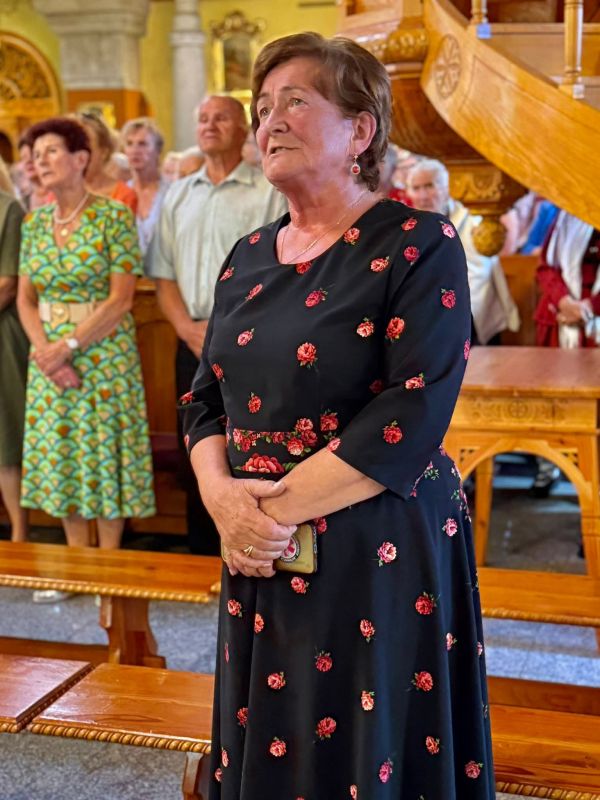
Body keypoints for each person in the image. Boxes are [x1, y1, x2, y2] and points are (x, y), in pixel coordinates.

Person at [182, 32, 493, 799]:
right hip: (259, 544)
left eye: (295, 101)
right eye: (263, 108)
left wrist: (264, 515)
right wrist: (223, 501)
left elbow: (412, 412)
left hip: (371, 542)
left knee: (367, 742)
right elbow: (204, 399)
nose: (271, 122)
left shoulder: (418, 242)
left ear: (360, 130)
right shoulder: (248, 255)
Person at [17, 117, 155, 599]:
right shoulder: (34, 223)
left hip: (103, 353)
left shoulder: (113, 216)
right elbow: (25, 300)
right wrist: (47, 353)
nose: (41, 161)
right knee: (65, 458)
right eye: (36, 155)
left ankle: (108, 573)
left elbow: (121, 299)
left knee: (102, 453)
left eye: (51, 151)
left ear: (81, 158)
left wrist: (69, 347)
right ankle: (75, 568)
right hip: (48, 357)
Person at [146, 95, 287, 555]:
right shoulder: (178, 194)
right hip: (190, 340)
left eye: (221, 118)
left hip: (252, 341)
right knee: (196, 448)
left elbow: (281, 269)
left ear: (244, 128)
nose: (209, 125)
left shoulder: (267, 190)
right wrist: (185, 327)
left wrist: (229, 330)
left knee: (250, 444)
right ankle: (201, 553)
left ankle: (252, 547)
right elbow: (163, 274)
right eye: (203, 118)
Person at [407, 157, 519, 345]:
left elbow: (479, 273)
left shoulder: (472, 220)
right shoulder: (409, 227)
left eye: (429, 186)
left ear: (447, 188)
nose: (423, 196)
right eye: (416, 188)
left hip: (472, 312)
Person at [0, 182, 28, 543]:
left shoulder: (8, 209)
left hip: (4, 330)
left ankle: (20, 531)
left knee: (4, 435)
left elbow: (8, 284)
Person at [122, 117, 169, 254]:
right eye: (129, 144)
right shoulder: (120, 194)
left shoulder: (173, 192)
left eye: (142, 144)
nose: (135, 150)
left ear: (158, 150)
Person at [76, 113, 137, 212]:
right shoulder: (60, 193)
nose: (79, 154)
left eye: (86, 145)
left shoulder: (124, 196)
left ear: (104, 152)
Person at [18, 131, 53, 211]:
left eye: (33, 155)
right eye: (23, 157)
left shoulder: (61, 195)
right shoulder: (23, 203)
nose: (28, 161)